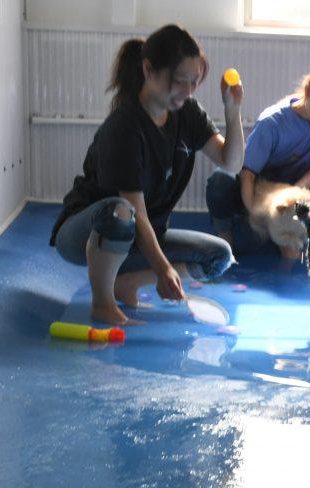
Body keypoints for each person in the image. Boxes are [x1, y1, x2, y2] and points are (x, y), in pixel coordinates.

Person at [50, 24, 244, 326]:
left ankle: (126, 283)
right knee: (120, 213)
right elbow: (136, 213)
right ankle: (103, 303)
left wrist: (232, 112)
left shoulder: (187, 112)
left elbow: (230, 163)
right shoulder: (124, 128)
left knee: (218, 256)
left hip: (143, 231)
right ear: (148, 69)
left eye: (194, 82)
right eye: (180, 81)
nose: (188, 91)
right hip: (87, 232)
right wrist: (163, 268)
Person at [206, 62, 310, 260]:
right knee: (219, 183)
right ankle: (225, 240)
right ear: (308, 91)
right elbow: (247, 173)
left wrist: (292, 198)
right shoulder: (273, 121)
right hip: (257, 183)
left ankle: (306, 247)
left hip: (292, 183)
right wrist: (256, 213)